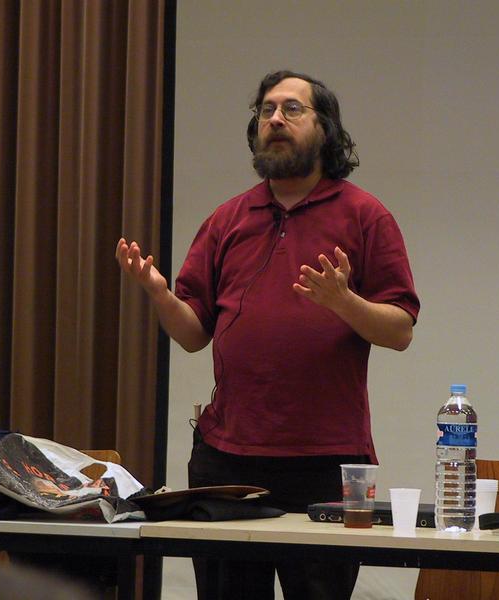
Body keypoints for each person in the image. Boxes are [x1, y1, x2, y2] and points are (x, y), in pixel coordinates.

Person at [116, 70, 419, 600]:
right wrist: (160, 295)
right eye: (266, 110)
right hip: (227, 459)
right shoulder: (227, 219)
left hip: (325, 462)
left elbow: (401, 330)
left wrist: (343, 302)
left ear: (325, 129)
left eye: (292, 109)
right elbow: (193, 335)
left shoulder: (366, 216)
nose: (275, 119)